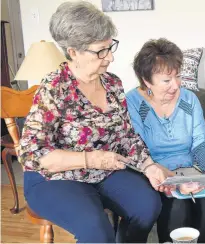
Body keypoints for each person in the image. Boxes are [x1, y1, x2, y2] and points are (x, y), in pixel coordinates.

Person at [18, 2, 171, 242]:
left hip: (102, 172)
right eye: (101, 51)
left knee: (148, 205)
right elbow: (32, 154)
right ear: (74, 52)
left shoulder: (112, 84)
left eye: (110, 48)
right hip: (54, 179)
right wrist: (91, 159)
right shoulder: (54, 88)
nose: (109, 57)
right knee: (97, 230)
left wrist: (149, 166)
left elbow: (127, 137)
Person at [126, 38, 205, 243]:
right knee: (178, 206)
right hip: (154, 173)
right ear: (147, 81)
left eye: (178, 76)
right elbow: (136, 151)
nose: (176, 85)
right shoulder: (132, 103)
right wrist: (175, 181)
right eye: (167, 80)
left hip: (191, 169)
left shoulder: (189, 99)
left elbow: (201, 143)